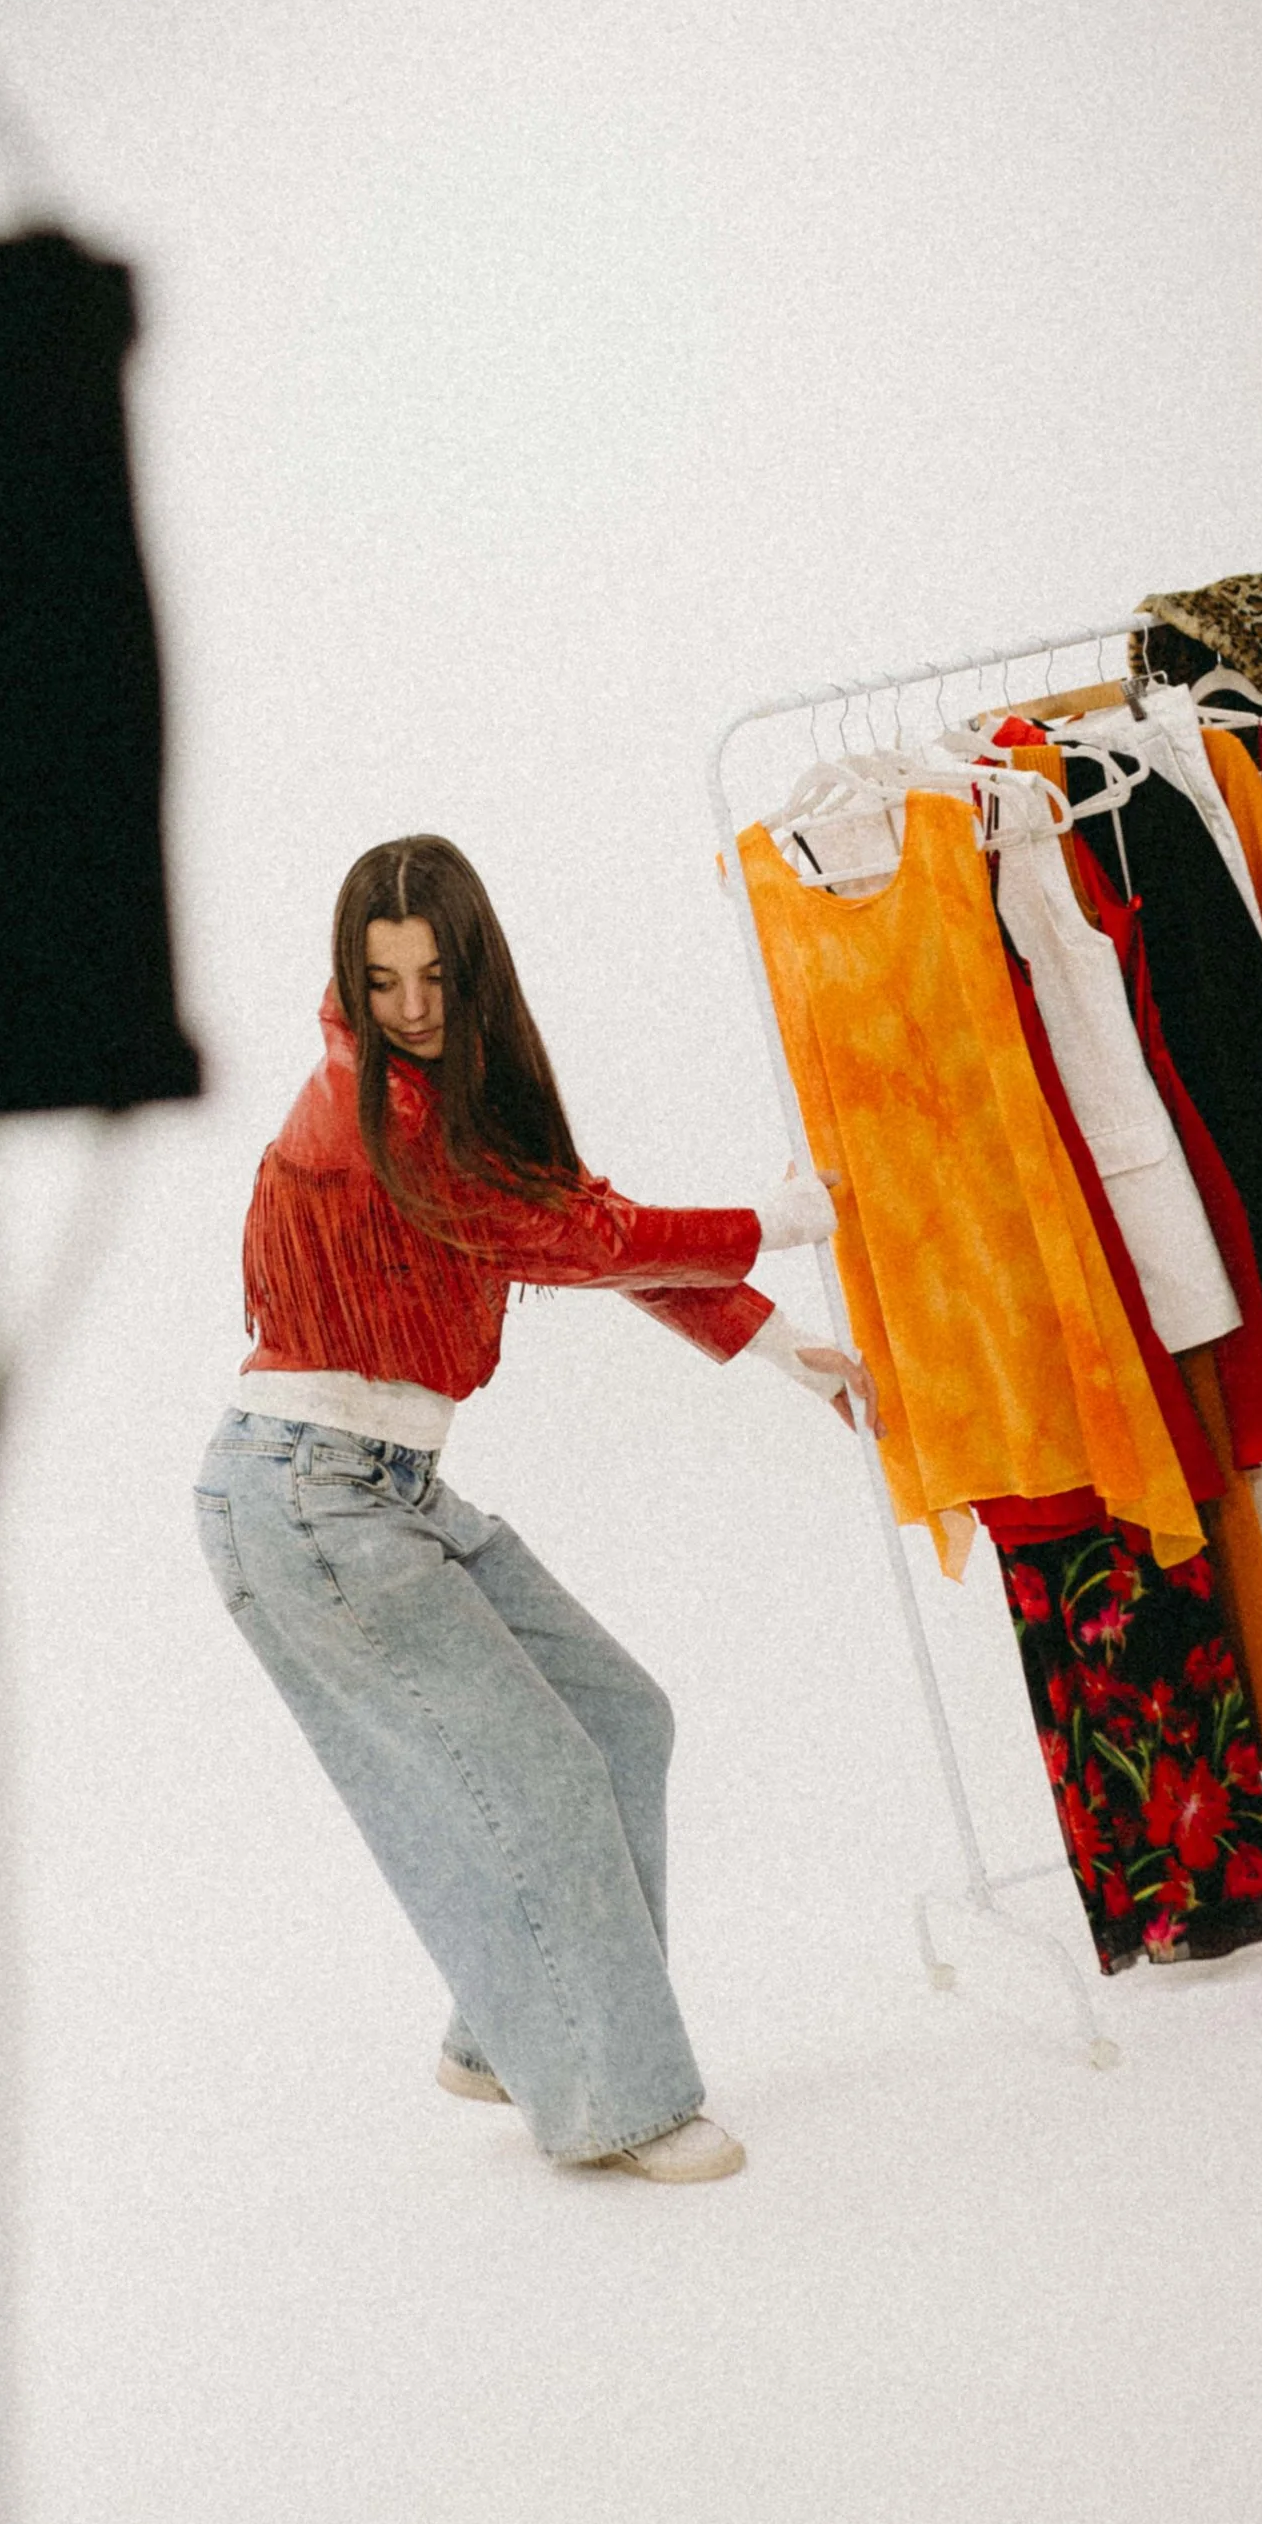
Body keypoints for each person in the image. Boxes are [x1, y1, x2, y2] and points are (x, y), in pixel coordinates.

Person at [191, 834, 874, 2184]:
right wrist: (773, 1220)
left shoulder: (462, 1103)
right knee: (545, 1777)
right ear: (350, 978)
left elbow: (570, 1218)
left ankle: (503, 2039)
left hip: (383, 1490)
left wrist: (783, 1343)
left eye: (435, 976)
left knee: (620, 1720)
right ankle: (617, 2101)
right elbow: (570, 1237)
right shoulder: (365, 1112)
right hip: (308, 1497)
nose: (410, 1008)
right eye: (380, 981)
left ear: (475, 970)